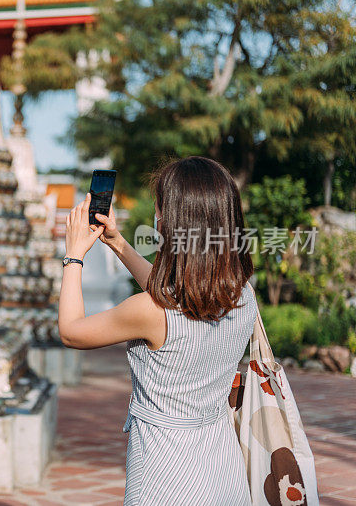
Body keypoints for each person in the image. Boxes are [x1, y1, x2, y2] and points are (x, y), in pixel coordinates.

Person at [58, 156, 254, 505]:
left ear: (170, 223)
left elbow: (72, 331)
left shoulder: (149, 312)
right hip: (224, 467)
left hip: (165, 476)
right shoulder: (241, 293)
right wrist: (116, 242)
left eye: (159, 208)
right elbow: (176, 296)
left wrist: (74, 255)